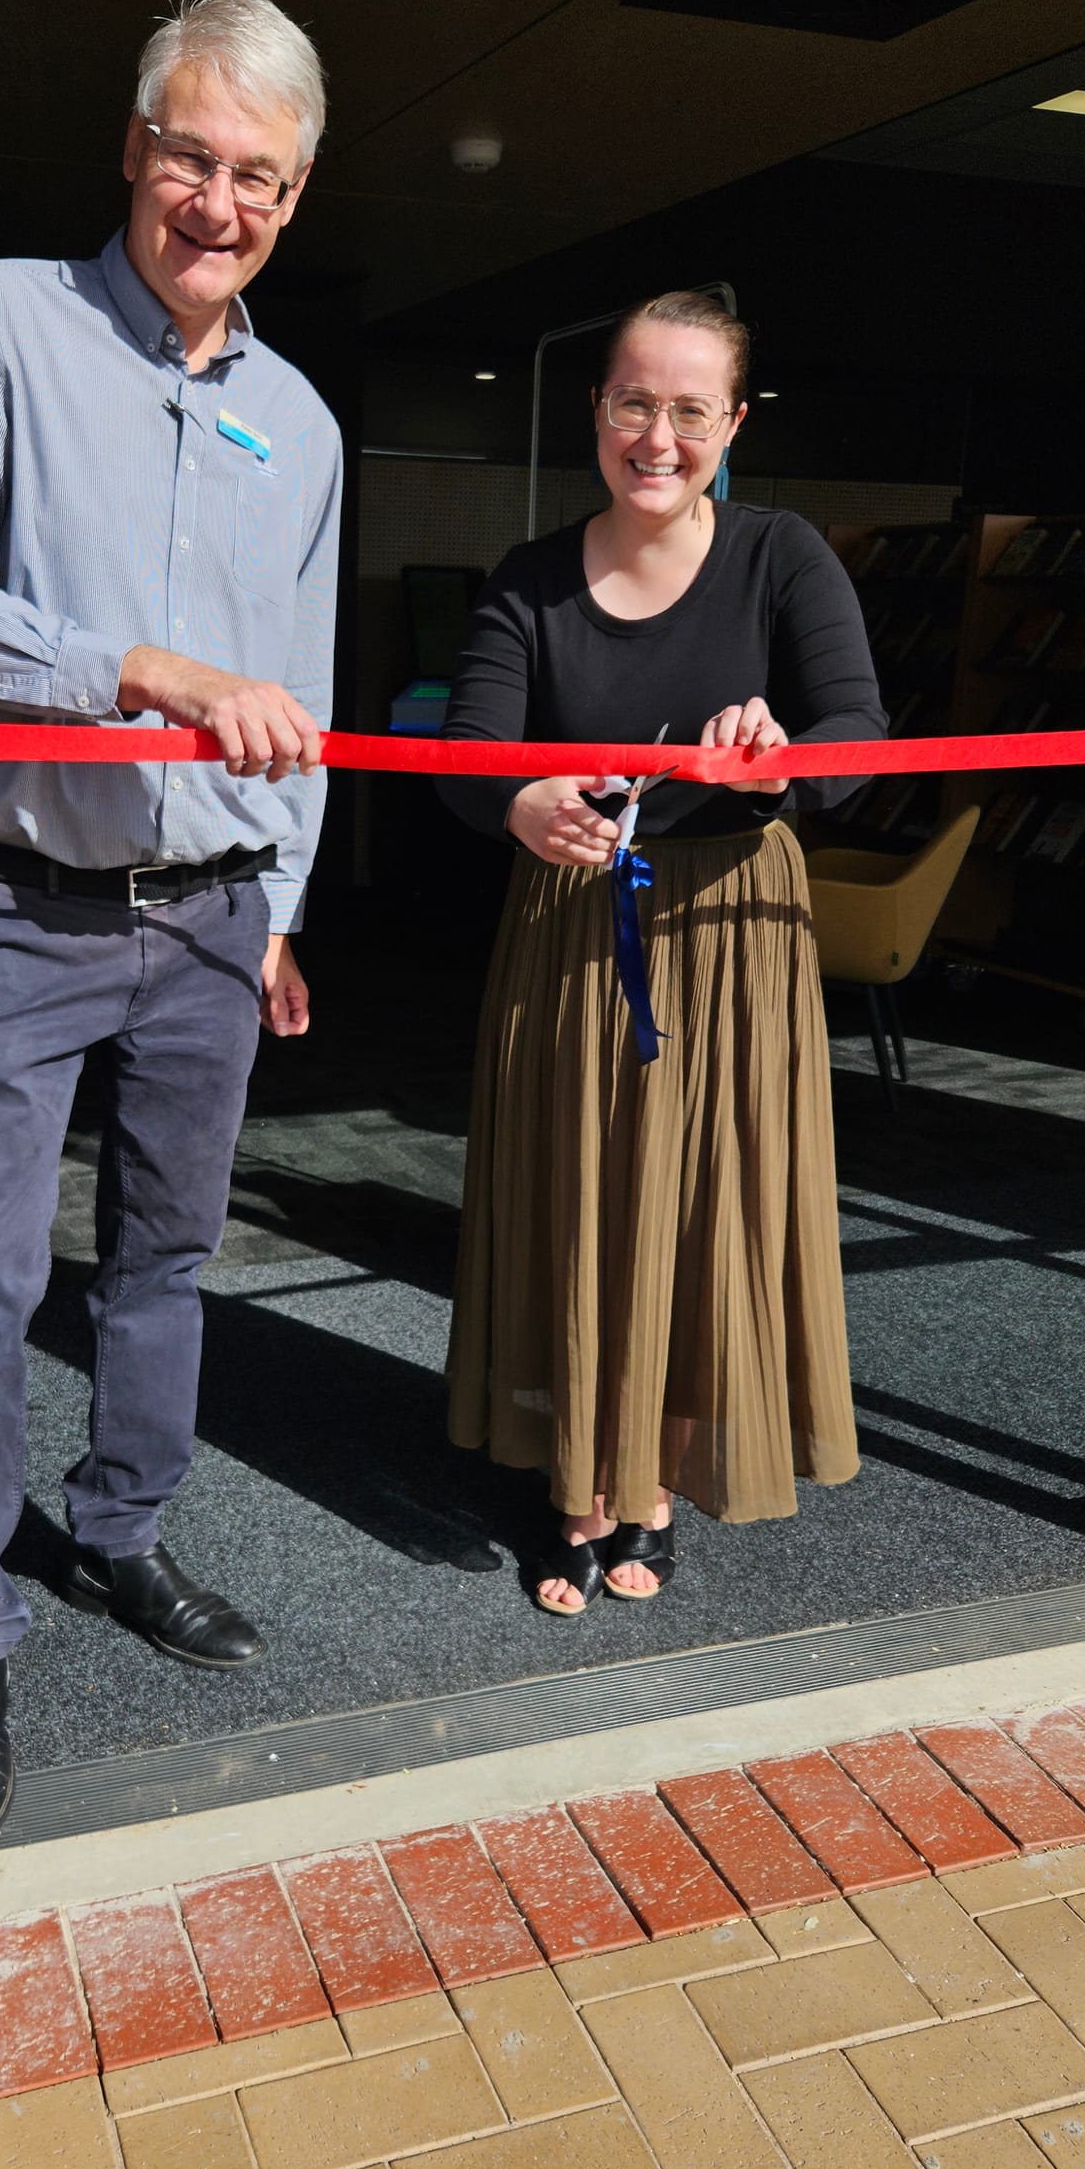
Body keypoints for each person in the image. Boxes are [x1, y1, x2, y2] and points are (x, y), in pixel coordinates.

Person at [0, 0, 341, 1845]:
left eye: (260, 177)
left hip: (217, 919)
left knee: (165, 1265)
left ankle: (122, 1539)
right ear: (132, 151)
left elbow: (296, 706)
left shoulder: (297, 424)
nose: (217, 202)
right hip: (25, 906)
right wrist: (130, 668)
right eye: (192, 156)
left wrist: (282, 902)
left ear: (293, 200)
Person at [437, 290, 885, 1615]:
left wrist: (783, 766)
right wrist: (518, 802)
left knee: (701, 1212)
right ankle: (576, 1486)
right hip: (576, 929)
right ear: (597, 410)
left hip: (737, 935)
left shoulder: (779, 553)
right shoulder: (529, 574)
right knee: (580, 1201)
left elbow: (857, 736)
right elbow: (470, 748)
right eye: (635, 401)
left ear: (733, 423)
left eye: (692, 410)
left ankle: (655, 1491)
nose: (658, 435)